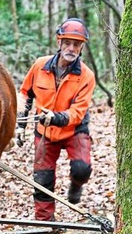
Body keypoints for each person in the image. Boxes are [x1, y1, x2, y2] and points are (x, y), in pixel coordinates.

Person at [16, 18, 96, 221]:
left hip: (74, 129)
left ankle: (76, 185)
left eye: (76, 44)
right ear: (59, 43)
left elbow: (78, 111)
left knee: (82, 169)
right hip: (44, 132)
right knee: (42, 179)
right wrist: (20, 125)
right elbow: (25, 94)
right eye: (67, 43)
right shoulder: (39, 66)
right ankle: (45, 223)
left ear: (81, 47)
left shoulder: (86, 76)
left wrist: (57, 117)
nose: (71, 48)